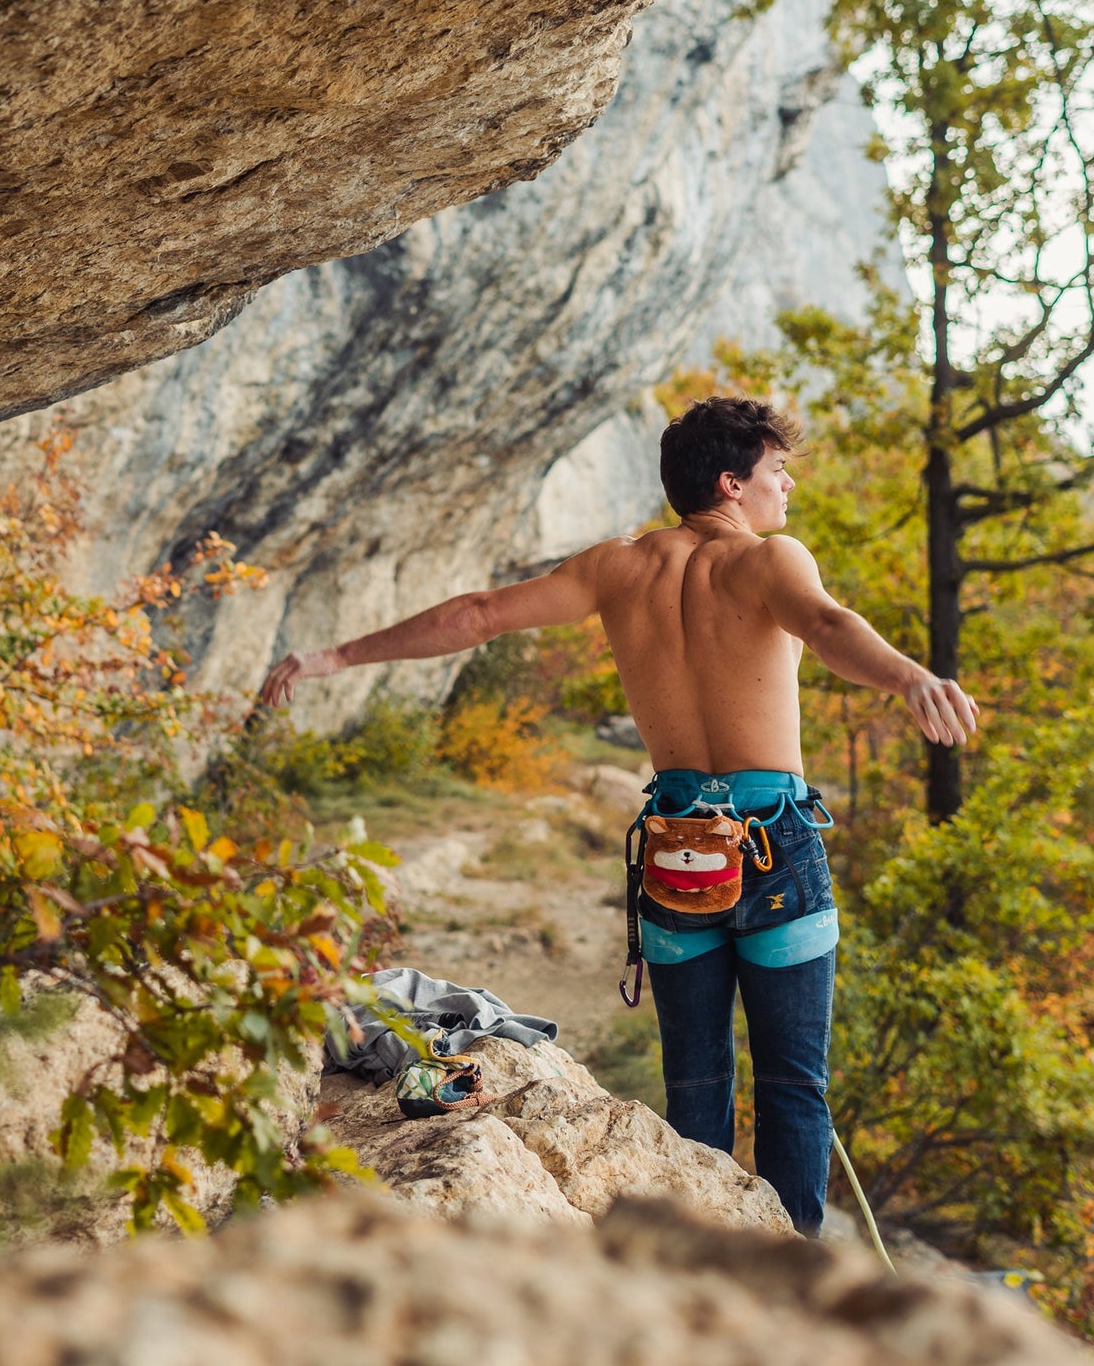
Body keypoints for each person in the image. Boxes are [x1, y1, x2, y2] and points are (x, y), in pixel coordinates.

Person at [260, 395, 978, 1235]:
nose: (789, 488)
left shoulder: (616, 568)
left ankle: (691, 1259)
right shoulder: (769, 562)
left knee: (698, 1084)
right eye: (779, 472)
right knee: (794, 1083)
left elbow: (481, 614)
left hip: (676, 847)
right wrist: (909, 678)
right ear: (730, 483)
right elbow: (826, 624)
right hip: (772, 845)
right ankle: (790, 1275)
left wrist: (335, 656)